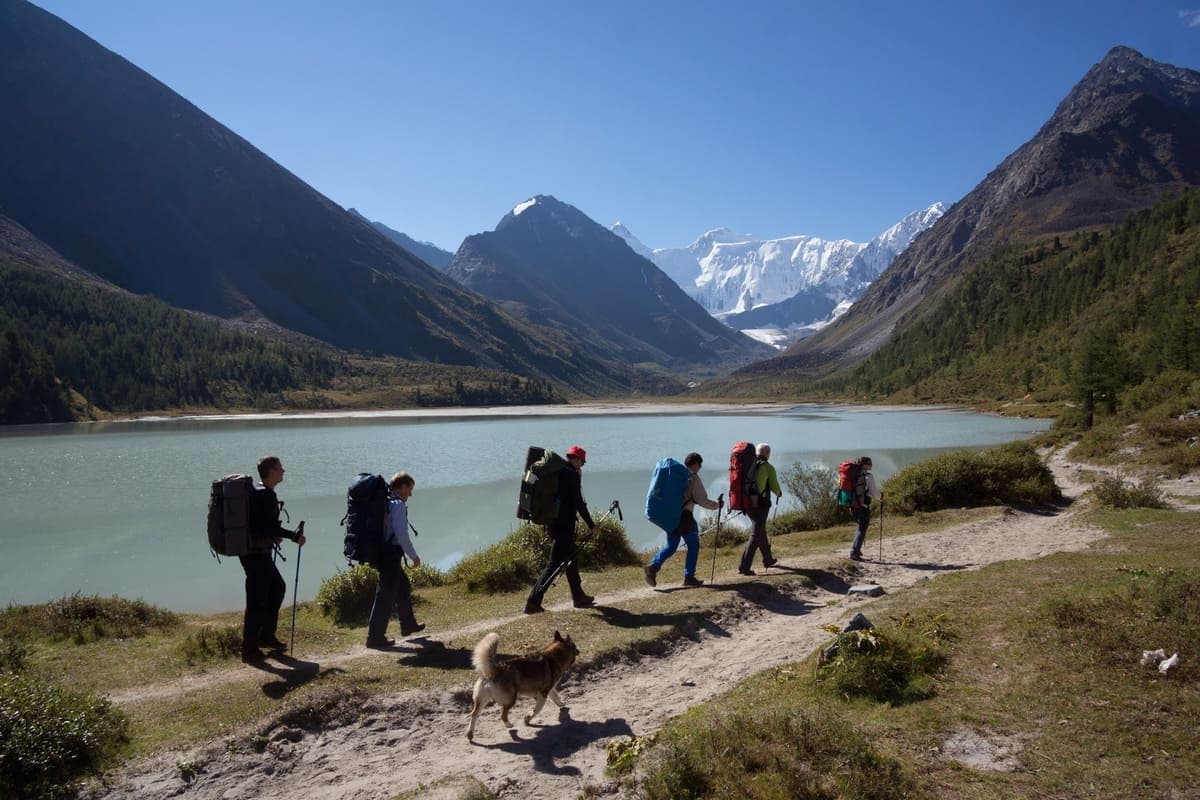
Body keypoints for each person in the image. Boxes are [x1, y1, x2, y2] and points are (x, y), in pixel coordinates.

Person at [241, 455, 306, 663]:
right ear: (271, 472)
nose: (283, 471)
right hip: (256, 554)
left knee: (276, 588)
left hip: (254, 552)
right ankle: (250, 649)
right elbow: (268, 527)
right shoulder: (265, 495)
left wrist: (273, 535)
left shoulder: (260, 492)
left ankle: (265, 637)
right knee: (257, 600)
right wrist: (293, 536)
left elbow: (260, 525)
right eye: (280, 468)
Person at [524, 445, 597, 614]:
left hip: (555, 524)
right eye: (582, 462)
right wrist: (592, 525)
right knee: (553, 564)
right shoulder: (571, 476)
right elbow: (579, 503)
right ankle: (532, 602)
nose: (582, 466)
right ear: (577, 459)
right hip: (564, 527)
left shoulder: (560, 472)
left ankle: (578, 596)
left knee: (571, 559)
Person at [644, 452, 723, 588]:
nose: (700, 467)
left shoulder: (675, 476)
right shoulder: (693, 478)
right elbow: (702, 500)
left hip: (671, 515)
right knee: (693, 545)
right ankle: (689, 577)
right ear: (695, 464)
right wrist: (717, 505)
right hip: (685, 517)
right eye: (700, 464)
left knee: (671, 546)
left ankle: (653, 566)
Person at [366, 472, 426, 648]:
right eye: (410, 489)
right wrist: (413, 556)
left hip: (382, 553)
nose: (411, 494)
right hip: (390, 555)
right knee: (384, 595)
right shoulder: (397, 505)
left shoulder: (386, 502)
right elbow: (401, 535)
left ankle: (408, 624)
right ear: (403, 487)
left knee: (403, 586)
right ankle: (374, 637)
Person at [737, 443, 783, 575]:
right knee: (756, 533)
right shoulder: (768, 467)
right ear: (768, 454)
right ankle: (744, 567)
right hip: (761, 505)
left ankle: (767, 559)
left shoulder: (747, 466)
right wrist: (779, 493)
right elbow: (775, 487)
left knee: (760, 530)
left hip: (747, 503)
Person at [848, 456, 883, 561]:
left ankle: (856, 550)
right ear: (865, 465)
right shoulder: (868, 476)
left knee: (860, 528)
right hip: (863, 506)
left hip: (852, 505)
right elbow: (874, 493)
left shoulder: (852, 475)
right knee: (861, 529)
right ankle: (854, 552)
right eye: (869, 463)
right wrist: (880, 498)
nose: (871, 465)